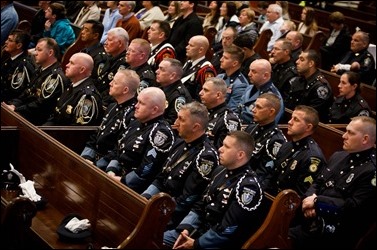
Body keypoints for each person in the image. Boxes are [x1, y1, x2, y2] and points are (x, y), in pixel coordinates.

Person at [163, 131, 267, 249]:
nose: (220, 149)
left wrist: (196, 244)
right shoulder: (220, 171)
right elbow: (201, 205)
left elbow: (227, 229)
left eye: (226, 147)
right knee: (153, 236)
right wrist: (186, 228)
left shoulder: (248, 187)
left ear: (240, 155)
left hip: (217, 243)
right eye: (222, 145)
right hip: (197, 232)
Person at [289, 116, 376, 249]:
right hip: (309, 221)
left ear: (365, 139)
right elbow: (317, 182)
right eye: (346, 131)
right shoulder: (339, 156)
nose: (344, 136)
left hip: (335, 233)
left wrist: (317, 202)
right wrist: (309, 201)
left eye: (350, 133)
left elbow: (353, 206)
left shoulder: (372, 171)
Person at [141, 101, 219, 229]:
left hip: (174, 215)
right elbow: (161, 177)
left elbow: (188, 198)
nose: (176, 123)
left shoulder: (206, 156)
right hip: (160, 202)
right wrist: (146, 197)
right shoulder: (180, 143)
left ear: (195, 127)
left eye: (181, 120)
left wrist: (158, 211)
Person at [106, 87, 175, 194]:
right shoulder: (136, 122)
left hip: (134, 189)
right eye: (137, 101)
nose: (135, 106)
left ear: (154, 110)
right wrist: (111, 170)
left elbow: (146, 169)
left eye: (141, 103)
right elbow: (119, 148)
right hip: (117, 177)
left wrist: (122, 181)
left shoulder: (160, 133)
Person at [80, 69, 139, 170]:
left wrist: (96, 165)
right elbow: (98, 133)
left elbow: (120, 147)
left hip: (107, 165)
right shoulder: (112, 106)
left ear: (125, 90)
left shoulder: (133, 114)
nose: (110, 83)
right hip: (93, 159)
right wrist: (86, 156)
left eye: (115, 83)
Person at [2, 37, 69, 125]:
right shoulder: (40, 70)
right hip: (25, 112)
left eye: (39, 50)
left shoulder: (55, 77)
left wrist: (16, 109)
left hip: (36, 120)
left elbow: (41, 104)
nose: (35, 53)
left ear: (50, 53)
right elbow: (26, 92)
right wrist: (13, 105)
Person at [267, 105, 326, 197]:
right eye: (291, 118)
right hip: (272, 195)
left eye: (296, 120)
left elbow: (299, 195)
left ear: (308, 127)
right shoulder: (287, 145)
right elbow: (272, 175)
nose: (290, 122)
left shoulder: (312, 157)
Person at [43, 52, 102, 126]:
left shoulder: (88, 97)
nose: (67, 65)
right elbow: (55, 115)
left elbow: (76, 131)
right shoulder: (71, 86)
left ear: (82, 70)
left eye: (72, 63)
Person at [244, 93, 287, 189]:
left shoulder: (276, 140)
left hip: (252, 185)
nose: (253, 110)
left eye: (258, 107)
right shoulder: (251, 128)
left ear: (271, 112)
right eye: (254, 106)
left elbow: (264, 174)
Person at [285, 50, 333, 122]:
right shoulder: (299, 79)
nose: (297, 62)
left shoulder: (320, 87)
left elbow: (310, 116)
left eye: (302, 60)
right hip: (291, 118)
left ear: (311, 63)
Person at [238, 59, 284, 125]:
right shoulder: (249, 88)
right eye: (249, 70)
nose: (249, 74)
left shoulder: (273, 97)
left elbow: (269, 123)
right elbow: (239, 108)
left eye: (254, 72)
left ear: (265, 75)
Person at [199, 77, 241, 149]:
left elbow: (225, 151)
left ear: (218, 95)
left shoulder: (228, 120)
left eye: (205, 90)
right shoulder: (201, 112)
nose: (200, 93)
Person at [97, 27, 129, 108]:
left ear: (120, 43)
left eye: (110, 40)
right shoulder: (112, 57)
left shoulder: (124, 64)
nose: (105, 43)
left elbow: (115, 91)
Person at [1, 30, 35, 103]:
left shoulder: (23, 66)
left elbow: (14, 93)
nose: (6, 42)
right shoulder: (11, 58)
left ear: (19, 45)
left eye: (10, 40)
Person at [156, 58, 192, 125]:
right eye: (158, 68)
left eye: (162, 69)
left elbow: (174, 123)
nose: (157, 71)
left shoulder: (179, 96)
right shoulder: (161, 88)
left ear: (172, 76)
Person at [181, 35, 216, 101]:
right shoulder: (188, 63)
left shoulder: (206, 69)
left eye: (191, 46)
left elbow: (205, 95)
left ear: (200, 50)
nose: (187, 47)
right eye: (188, 44)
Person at [216, 44, 249, 112]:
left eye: (225, 58)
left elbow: (232, 110)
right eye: (222, 56)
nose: (221, 59)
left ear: (234, 63)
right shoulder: (220, 77)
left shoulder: (240, 84)